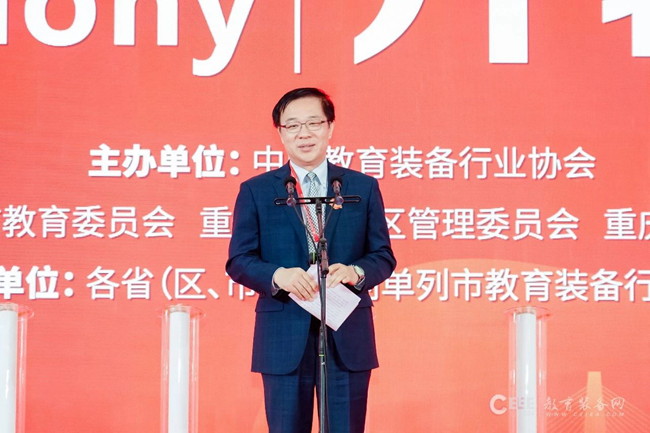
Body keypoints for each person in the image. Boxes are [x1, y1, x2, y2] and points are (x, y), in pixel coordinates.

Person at [226, 87, 396, 433]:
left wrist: (355, 271)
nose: (304, 133)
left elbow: (383, 256)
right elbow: (239, 260)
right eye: (292, 125)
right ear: (280, 133)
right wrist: (278, 276)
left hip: (346, 329)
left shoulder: (361, 187)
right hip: (283, 333)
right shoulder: (257, 190)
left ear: (330, 127)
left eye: (313, 123)